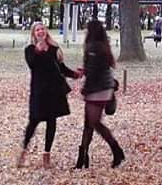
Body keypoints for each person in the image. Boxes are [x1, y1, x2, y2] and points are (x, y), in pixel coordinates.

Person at [18, 22, 82, 168]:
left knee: (51, 122)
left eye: (42, 29)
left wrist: (76, 74)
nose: (40, 32)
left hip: (54, 91)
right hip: (39, 92)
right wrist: (38, 51)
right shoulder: (30, 49)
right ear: (33, 34)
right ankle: (23, 152)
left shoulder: (54, 49)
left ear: (46, 31)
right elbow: (32, 64)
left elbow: (62, 69)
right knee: (33, 121)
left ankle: (47, 154)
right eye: (37, 30)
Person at [76, 20, 125, 168]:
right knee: (88, 122)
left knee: (94, 123)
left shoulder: (93, 47)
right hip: (103, 87)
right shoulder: (103, 46)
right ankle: (82, 157)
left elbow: (94, 72)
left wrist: (85, 88)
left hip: (98, 89)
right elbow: (99, 68)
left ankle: (117, 151)